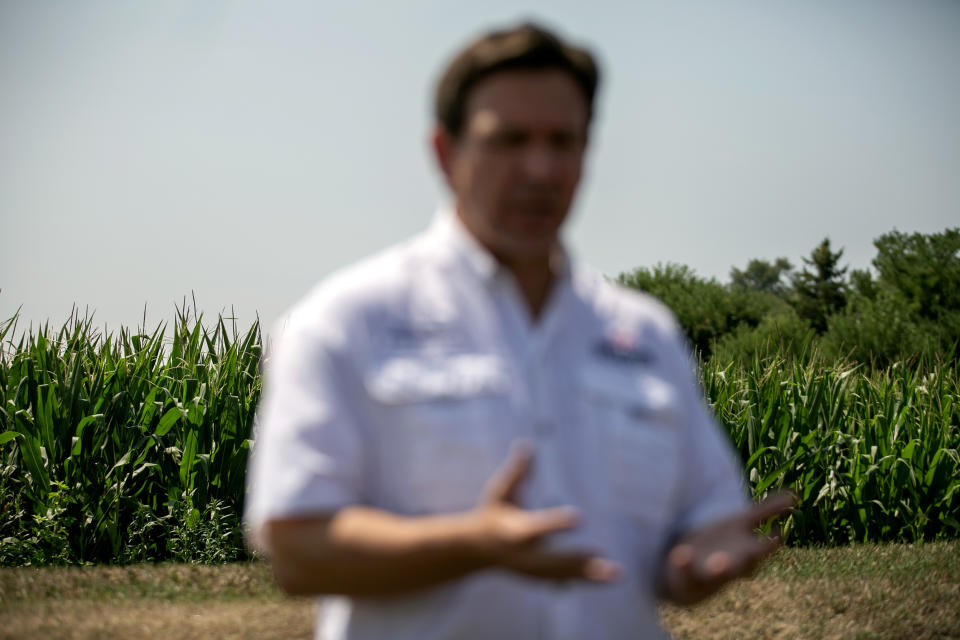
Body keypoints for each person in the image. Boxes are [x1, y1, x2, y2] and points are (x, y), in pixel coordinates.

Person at [244, 22, 793, 640]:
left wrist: (696, 557)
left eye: (563, 141)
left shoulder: (645, 335)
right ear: (446, 153)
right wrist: (473, 543)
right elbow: (297, 549)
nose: (540, 168)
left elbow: (697, 522)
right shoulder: (347, 321)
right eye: (509, 140)